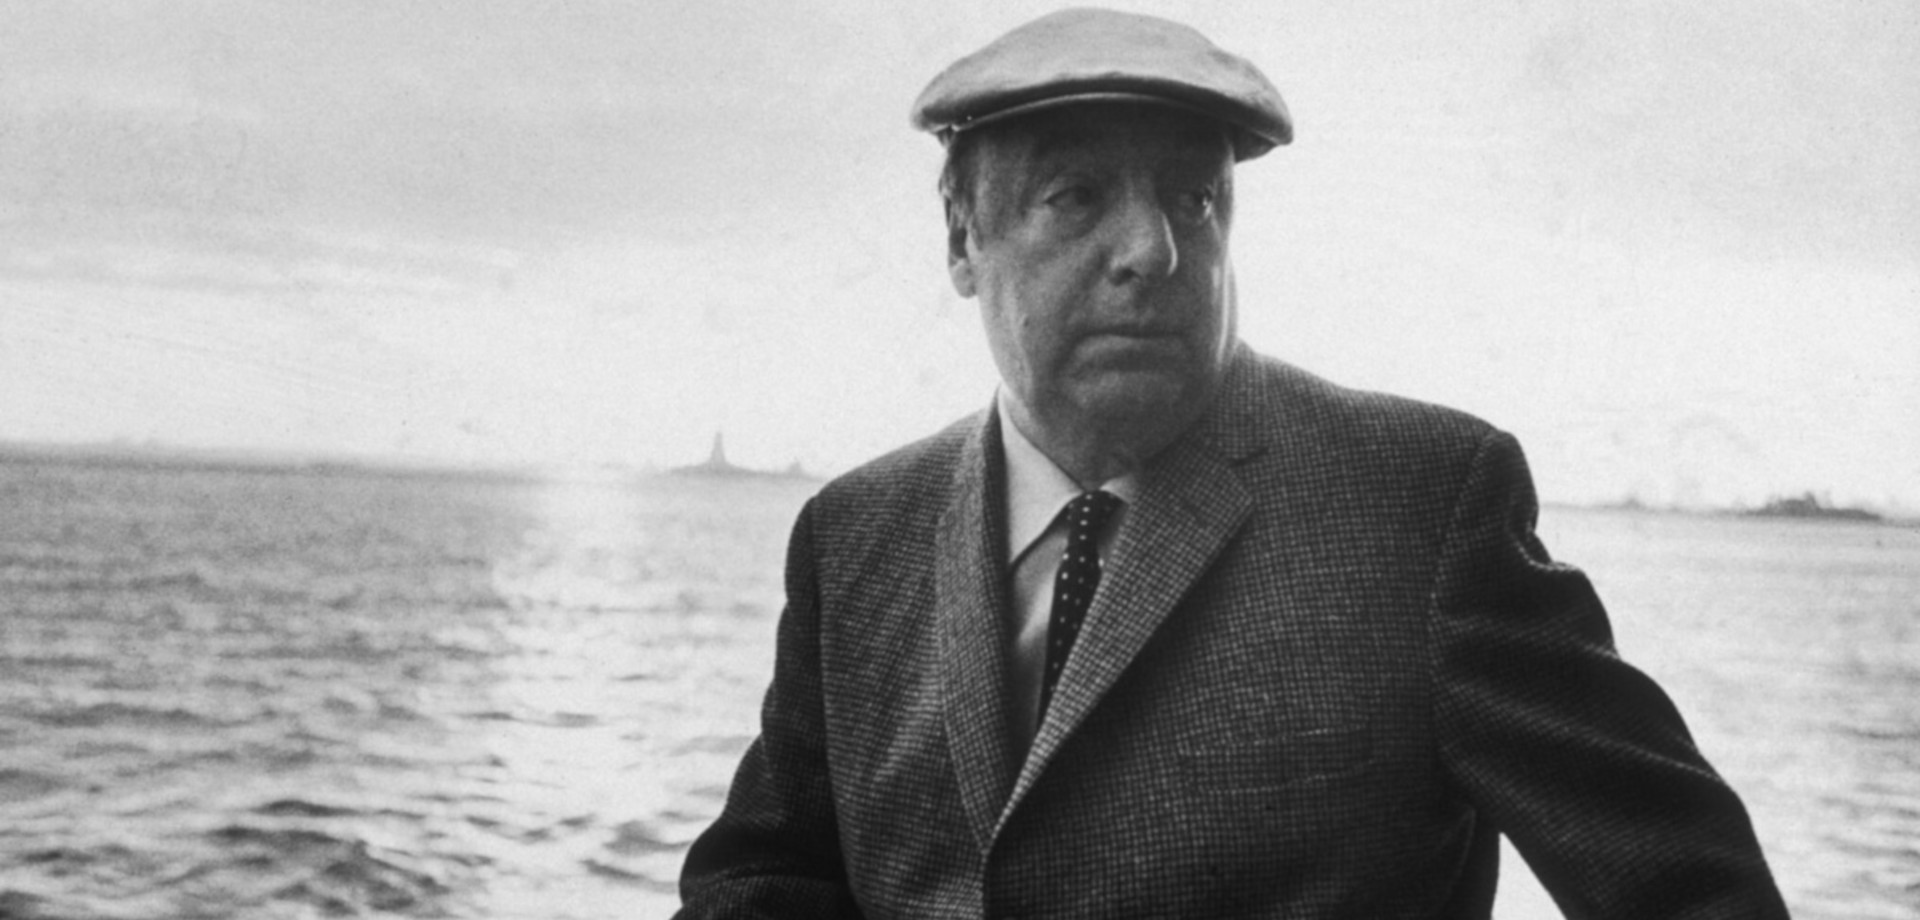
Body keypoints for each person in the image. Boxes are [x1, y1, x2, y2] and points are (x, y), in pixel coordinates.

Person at [677, 9, 1788, 918]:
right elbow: (763, 881)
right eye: (1076, 197)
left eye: (1193, 198)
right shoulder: (855, 534)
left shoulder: (1422, 507)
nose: (1152, 250)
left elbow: (1694, 894)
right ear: (963, 239)